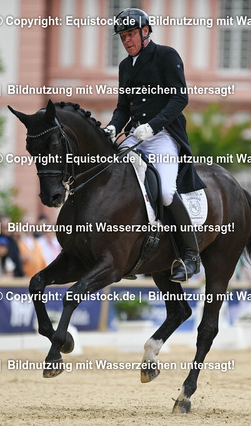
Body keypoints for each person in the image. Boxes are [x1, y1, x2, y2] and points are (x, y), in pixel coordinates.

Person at [104, 7, 206, 283]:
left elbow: (180, 98)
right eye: (123, 36)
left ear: (145, 31)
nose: (126, 40)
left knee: (166, 193)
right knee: (111, 178)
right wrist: (113, 127)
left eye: (130, 34)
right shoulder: (125, 66)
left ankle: (191, 255)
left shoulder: (166, 55)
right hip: (135, 136)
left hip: (163, 136)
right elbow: (123, 108)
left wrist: (153, 126)